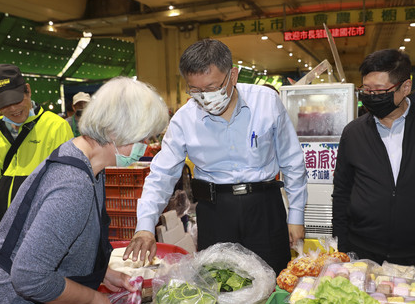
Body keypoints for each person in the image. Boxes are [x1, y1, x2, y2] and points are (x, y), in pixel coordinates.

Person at [0, 77, 169, 304]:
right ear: (116, 132)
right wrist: (90, 298)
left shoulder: (85, 161)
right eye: (143, 138)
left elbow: (60, 239)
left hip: (17, 293)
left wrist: (102, 273)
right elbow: (30, 278)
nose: (145, 147)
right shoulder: (72, 186)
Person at [127, 39, 307, 273]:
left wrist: (296, 214)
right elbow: (161, 175)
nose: (205, 97)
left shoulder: (266, 102)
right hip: (215, 212)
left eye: (212, 88)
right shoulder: (184, 119)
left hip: (264, 207)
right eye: (195, 91)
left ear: (233, 76)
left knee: (274, 278)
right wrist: (145, 225)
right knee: (220, 286)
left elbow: (292, 161)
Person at [332, 49, 415, 292]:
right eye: (366, 91)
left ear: (405, 87)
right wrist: (343, 248)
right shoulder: (353, 133)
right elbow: (342, 192)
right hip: (363, 252)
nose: (371, 97)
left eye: (379, 91)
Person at [0, 64, 73, 245]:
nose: (12, 109)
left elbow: (66, 183)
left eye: (16, 100)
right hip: (3, 229)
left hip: (43, 228)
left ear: (27, 90)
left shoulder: (55, 127)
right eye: (4, 104)